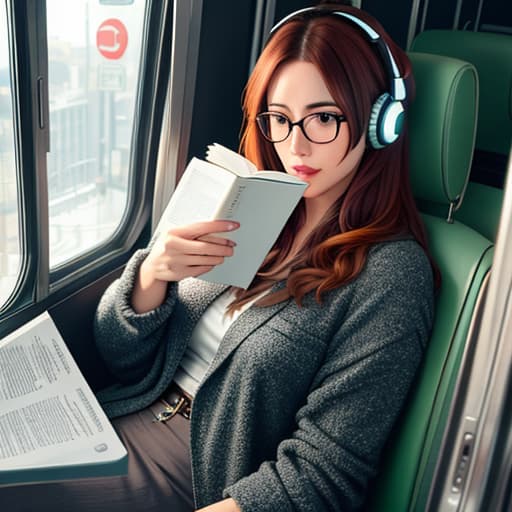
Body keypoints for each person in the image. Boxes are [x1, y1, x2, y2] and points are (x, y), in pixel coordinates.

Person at [2, 2, 438, 511]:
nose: (294, 145)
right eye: (279, 118)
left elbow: (324, 475)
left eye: (323, 118)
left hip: (207, 482)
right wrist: (153, 275)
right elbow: (121, 357)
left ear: (381, 121)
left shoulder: (390, 275)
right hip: (117, 422)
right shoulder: (245, 203)